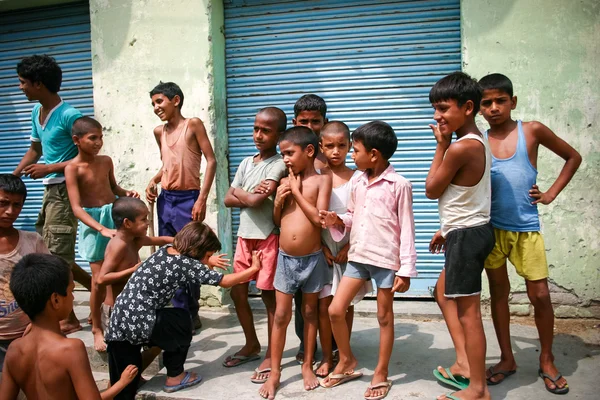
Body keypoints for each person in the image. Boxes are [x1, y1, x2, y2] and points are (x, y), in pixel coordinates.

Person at [479, 73, 580, 395]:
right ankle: (507, 358)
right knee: (498, 294)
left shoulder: (531, 131)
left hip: (526, 229)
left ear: (513, 102)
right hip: (492, 230)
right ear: (477, 108)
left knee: (540, 296)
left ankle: (547, 359)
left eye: (500, 101)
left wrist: (549, 194)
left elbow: (572, 157)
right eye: (486, 103)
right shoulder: (479, 141)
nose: (494, 108)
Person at [105, 221, 262, 399]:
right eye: (208, 254)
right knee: (181, 320)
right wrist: (254, 268)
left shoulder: (167, 250)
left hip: (118, 322)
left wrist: (206, 260)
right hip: (140, 321)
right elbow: (225, 281)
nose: (207, 260)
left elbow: (196, 265)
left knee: (122, 386)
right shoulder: (185, 263)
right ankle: (175, 377)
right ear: (196, 250)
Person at [319, 121, 417, 400]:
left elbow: (408, 229)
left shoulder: (400, 185)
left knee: (384, 317)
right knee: (336, 309)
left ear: (373, 154)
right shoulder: (357, 182)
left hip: (386, 260)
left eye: (355, 150)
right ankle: (347, 360)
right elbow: (353, 216)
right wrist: (337, 220)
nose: (351, 154)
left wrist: (406, 270)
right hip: (358, 255)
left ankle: (381, 373)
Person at [425, 72, 495, 400]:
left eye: (443, 108)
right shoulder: (478, 140)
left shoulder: (458, 149)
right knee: (442, 291)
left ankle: (478, 388)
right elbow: (466, 194)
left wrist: (440, 146)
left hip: (467, 236)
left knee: (469, 314)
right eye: (434, 109)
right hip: (466, 230)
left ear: (468, 107)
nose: (437, 116)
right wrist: (445, 227)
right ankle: (465, 364)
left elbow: (431, 189)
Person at [13, 54, 90, 334]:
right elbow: (34, 149)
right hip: (50, 192)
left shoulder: (70, 115)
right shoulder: (37, 113)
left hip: (65, 191)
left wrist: (50, 167)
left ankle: (68, 319)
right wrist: (13, 175)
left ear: (38, 84)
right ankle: (96, 288)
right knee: (52, 253)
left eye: (23, 83)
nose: (20, 87)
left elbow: (88, 156)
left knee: (56, 258)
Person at [0, 253, 138, 399]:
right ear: (56, 300)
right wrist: (121, 383)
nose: (73, 297)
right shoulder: (71, 349)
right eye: (71, 291)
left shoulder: (15, 349)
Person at [258, 127, 332, 399]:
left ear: (309, 151)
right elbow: (278, 222)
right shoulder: (282, 183)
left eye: (289, 153)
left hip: (312, 259)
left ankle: (307, 364)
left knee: (310, 312)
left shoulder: (322, 181)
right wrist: (278, 202)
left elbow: (319, 219)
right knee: (280, 315)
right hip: (286, 259)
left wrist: (297, 191)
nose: (285, 159)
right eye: (282, 154)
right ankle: (276, 372)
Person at [222, 108, 287, 385]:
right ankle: (252, 344)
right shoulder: (247, 162)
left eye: (266, 130)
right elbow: (228, 198)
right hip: (244, 237)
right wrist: (242, 194)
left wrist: (242, 194)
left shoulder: (278, 164)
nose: (258, 135)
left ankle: (273, 355)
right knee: (238, 293)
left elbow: (256, 202)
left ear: (279, 135)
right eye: (256, 128)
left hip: (267, 237)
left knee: (268, 297)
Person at [145, 82, 217, 332]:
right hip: (167, 200)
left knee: (190, 254)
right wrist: (154, 180)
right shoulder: (159, 132)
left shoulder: (193, 124)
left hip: (189, 199)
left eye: (159, 101)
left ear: (176, 100)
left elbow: (211, 160)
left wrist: (202, 198)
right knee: (169, 254)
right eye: (153, 103)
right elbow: (166, 164)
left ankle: (191, 310)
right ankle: (179, 311)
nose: (156, 107)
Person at [64, 116, 139, 352]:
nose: (99, 142)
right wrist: (100, 228)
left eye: (101, 137)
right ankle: (97, 328)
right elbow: (76, 208)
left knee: (119, 272)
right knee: (98, 280)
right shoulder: (72, 168)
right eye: (92, 138)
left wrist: (127, 194)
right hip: (92, 224)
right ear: (77, 140)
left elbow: (114, 189)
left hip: (113, 217)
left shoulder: (106, 161)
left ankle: (119, 321)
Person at [314, 121, 372, 379]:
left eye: (341, 145)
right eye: (330, 146)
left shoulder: (358, 178)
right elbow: (310, 216)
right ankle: (327, 355)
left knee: (345, 305)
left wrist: (349, 246)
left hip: (351, 247)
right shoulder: (316, 176)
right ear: (320, 147)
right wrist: (319, 246)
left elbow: (363, 216)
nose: (335, 151)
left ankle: (343, 351)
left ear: (350, 146)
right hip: (324, 247)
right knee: (324, 303)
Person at [0, 174, 49, 394]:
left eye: (17, 205)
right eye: (3, 203)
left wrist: (40, 322)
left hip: (26, 337)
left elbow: (51, 285)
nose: (10, 211)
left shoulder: (33, 242)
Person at [96, 197, 173, 335]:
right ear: (127, 223)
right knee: (121, 350)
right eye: (143, 219)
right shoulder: (118, 245)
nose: (147, 223)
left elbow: (162, 240)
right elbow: (102, 279)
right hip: (115, 310)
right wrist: (132, 270)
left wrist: (185, 240)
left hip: (131, 306)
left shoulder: (134, 240)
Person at [291, 93, 328, 364]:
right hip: (301, 245)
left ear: (324, 122)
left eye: (316, 121)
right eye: (304, 121)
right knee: (301, 302)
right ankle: (306, 345)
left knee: (328, 300)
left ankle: (333, 346)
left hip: (329, 241)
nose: (310, 127)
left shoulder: (331, 157)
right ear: (295, 122)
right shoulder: (291, 158)